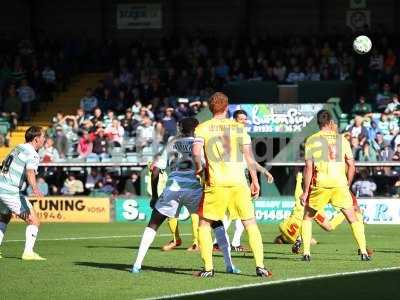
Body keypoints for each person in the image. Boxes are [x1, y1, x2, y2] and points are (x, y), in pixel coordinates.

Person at [132, 118, 234, 273]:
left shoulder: (172, 143)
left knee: (153, 224)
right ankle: (229, 265)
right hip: (194, 189)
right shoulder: (201, 143)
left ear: (180, 128)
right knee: (217, 224)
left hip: (172, 189)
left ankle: (137, 264)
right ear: (197, 128)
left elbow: (154, 170)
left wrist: (154, 195)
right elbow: (210, 168)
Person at [192, 92, 272, 277]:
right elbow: (249, 158)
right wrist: (254, 180)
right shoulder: (238, 128)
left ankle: (208, 269)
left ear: (210, 108)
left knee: (204, 225)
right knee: (250, 224)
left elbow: (196, 153)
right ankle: (260, 266)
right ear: (227, 107)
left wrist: (199, 169)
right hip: (239, 183)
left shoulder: (202, 128)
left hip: (216, 183)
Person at [300, 110, 370, 261]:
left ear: (318, 123)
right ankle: (363, 251)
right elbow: (352, 165)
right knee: (352, 217)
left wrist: (305, 191)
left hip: (321, 184)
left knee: (307, 217)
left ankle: (306, 253)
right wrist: (347, 183)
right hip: (339, 184)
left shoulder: (311, 140)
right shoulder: (342, 140)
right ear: (331, 122)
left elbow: (308, 168)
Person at [0, 126, 46, 260]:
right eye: (43, 137)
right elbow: (30, 171)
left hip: (1, 186)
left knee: (3, 217)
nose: (44, 140)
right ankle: (28, 252)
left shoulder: (17, 147)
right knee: (34, 221)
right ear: (36, 139)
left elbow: (4, 164)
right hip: (9, 190)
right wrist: (35, 187)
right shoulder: (32, 153)